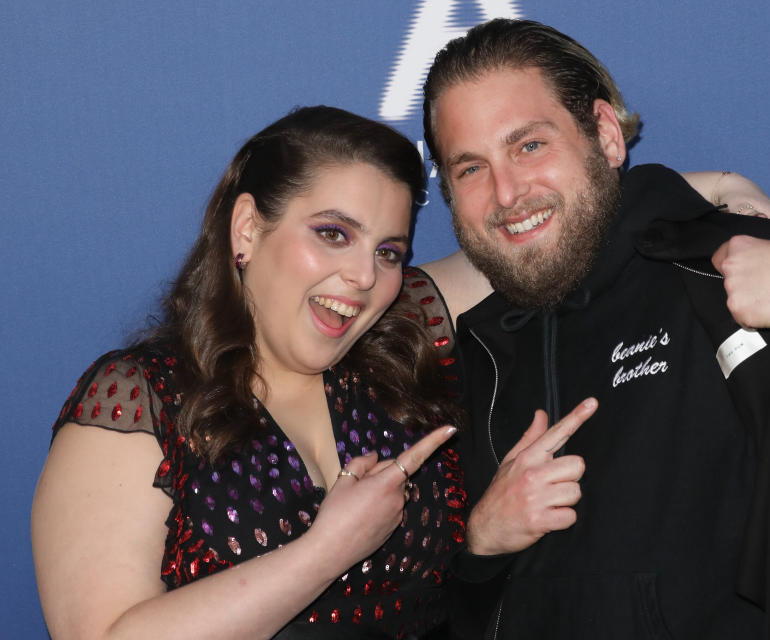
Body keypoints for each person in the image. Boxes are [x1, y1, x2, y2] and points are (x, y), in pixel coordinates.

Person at [414, 18, 770, 640]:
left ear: (606, 134)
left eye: (529, 145)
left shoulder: (738, 270)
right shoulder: (472, 356)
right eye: (470, 168)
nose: (507, 192)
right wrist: (481, 554)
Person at [32, 106, 467, 639]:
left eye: (389, 252)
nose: (363, 275)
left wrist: (490, 532)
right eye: (333, 233)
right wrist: (324, 552)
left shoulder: (397, 347)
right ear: (247, 230)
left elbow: (528, 245)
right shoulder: (143, 398)